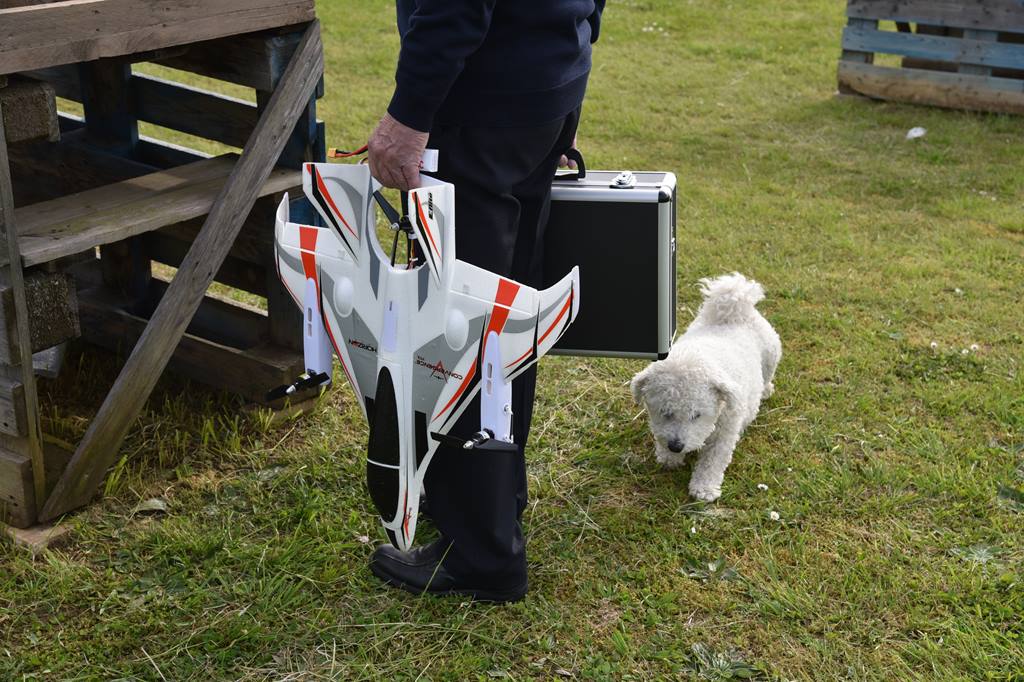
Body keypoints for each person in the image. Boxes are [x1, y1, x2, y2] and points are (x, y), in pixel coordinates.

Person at [367, 0, 605, 604]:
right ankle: (496, 510)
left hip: (482, 101)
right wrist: (571, 63)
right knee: (501, 315)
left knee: (465, 321)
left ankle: (480, 550)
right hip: (540, 84)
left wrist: (408, 115)